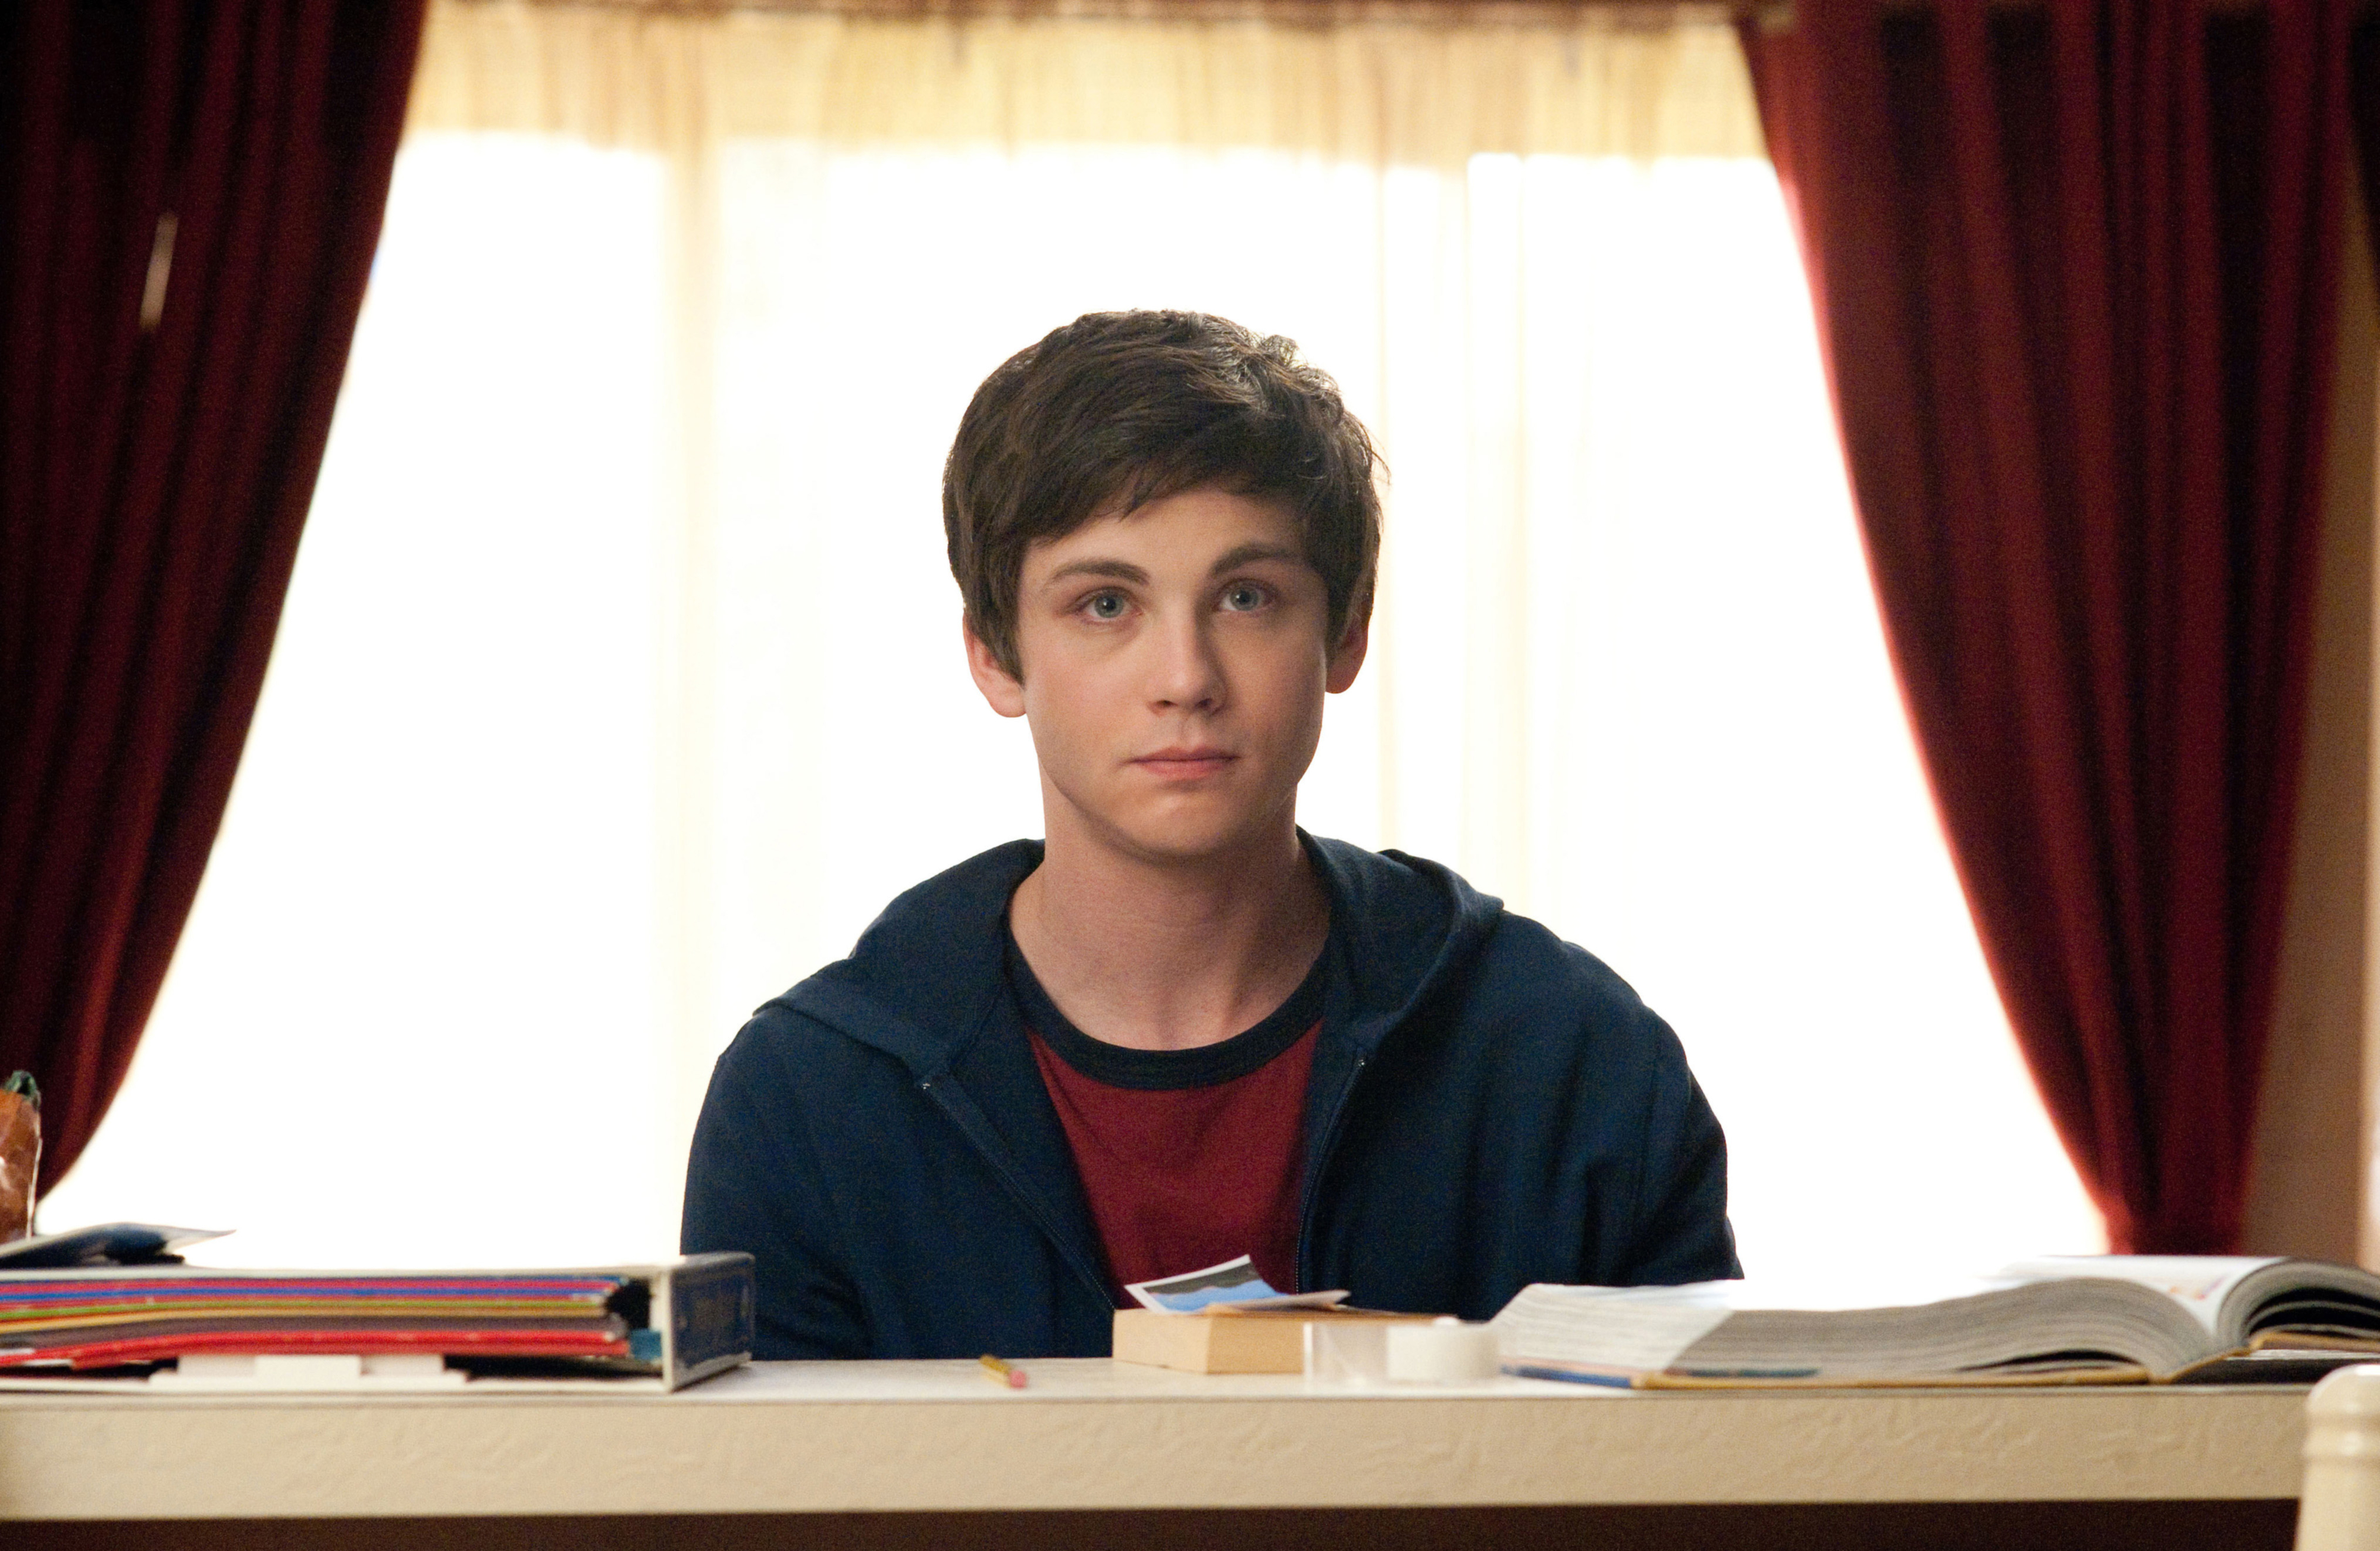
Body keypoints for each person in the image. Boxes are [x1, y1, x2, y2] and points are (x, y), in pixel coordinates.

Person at [681, 309, 1739, 1359]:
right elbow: (785, 1522)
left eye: (1245, 597)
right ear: (997, 658)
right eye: (1106, 604)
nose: (1185, 678)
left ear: (1346, 632)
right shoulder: (805, 1104)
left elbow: (1696, 1504)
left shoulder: (1576, 1060)